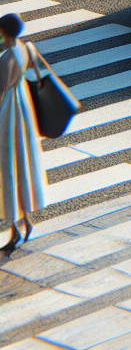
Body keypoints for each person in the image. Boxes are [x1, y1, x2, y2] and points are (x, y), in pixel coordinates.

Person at [0, 13, 46, 255]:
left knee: (8, 169)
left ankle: (15, 229)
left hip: (9, 111)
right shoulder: (25, 47)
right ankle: (25, 220)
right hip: (23, 107)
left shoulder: (6, 57)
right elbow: (35, 68)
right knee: (22, 164)